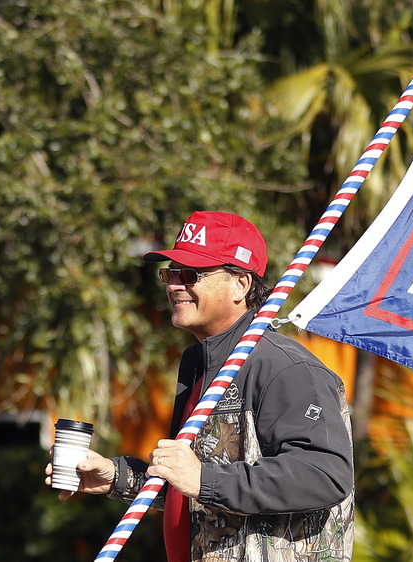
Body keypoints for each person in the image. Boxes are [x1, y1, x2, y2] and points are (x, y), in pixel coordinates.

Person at [45, 211, 355, 561]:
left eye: (191, 274)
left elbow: (325, 474)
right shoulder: (200, 364)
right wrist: (118, 477)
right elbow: (198, 489)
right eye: (171, 273)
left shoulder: (284, 368)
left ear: (241, 284)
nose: (175, 285)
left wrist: (204, 479)